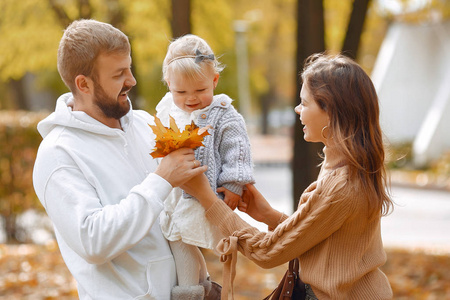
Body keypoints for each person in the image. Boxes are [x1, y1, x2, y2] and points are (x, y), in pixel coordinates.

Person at [182, 53, 394, 299]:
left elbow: (267, 252)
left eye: (304, 103)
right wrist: (269, 216)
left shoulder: (342, 184)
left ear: (331, 111)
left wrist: (206, 198)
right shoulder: (349, 164)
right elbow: (324, 236)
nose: (297, 109)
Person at [32, 19, 208, 300]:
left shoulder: (144, 124)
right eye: (118, 74)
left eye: (130, 68)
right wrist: (161, 180)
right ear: (84, 84)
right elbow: (93, 241)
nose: (132, 80)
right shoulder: (58, 153)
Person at [155, 34, 255, 299]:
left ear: (214, 81)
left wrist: (234, 184)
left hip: (204, 195)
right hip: (175, 192)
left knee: (181, 241)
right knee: (179, 238)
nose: (191, 99)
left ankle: (189, 293)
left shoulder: (223, 114)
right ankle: (206, 290)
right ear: (169, 85)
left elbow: (238, 151)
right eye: (180, 92)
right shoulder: (168, 110)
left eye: (200, 90)